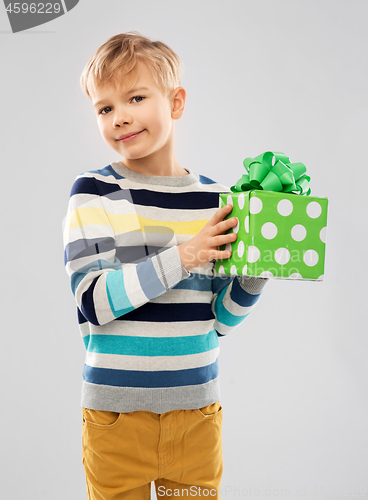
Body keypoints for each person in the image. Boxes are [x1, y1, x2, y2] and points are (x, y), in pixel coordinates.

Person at [63, 31, 268, 500]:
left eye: (136, 97)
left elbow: (217, 322)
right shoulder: (94, 192)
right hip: (116, 421)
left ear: (175, 102)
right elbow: (94, 301)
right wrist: (185, 256)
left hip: (195, 417)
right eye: (105, 107)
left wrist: (256, 270)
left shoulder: (216, 201)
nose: (121, 117)